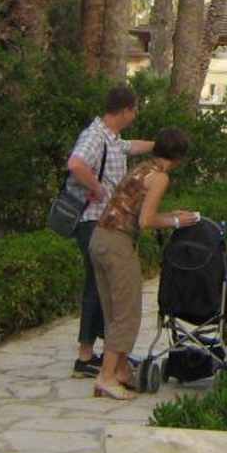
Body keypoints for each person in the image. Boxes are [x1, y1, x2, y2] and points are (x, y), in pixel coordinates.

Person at [88, 127, 200, 400]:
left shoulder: (142, 168)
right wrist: (177, 221)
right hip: (118, 244)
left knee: (112, 311)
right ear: (178, 158)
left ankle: (121, 370)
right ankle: (106, 377)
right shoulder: (160, 177)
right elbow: (146, 221)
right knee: (127, 312)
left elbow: (136, 208)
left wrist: (171, 214)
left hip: (99, 238)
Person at [65, 86, 154, 379]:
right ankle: (85, 356)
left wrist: (161, 145)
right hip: (93, 221)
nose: (136, 114)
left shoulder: (111, 138)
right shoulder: (94, 136)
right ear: (125, 110)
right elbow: (76, 163)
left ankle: (107, 352)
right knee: (96, 286)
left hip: (106, 222)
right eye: (135, 109)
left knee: (105, 286)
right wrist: (98, 188)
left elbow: (130, 147)